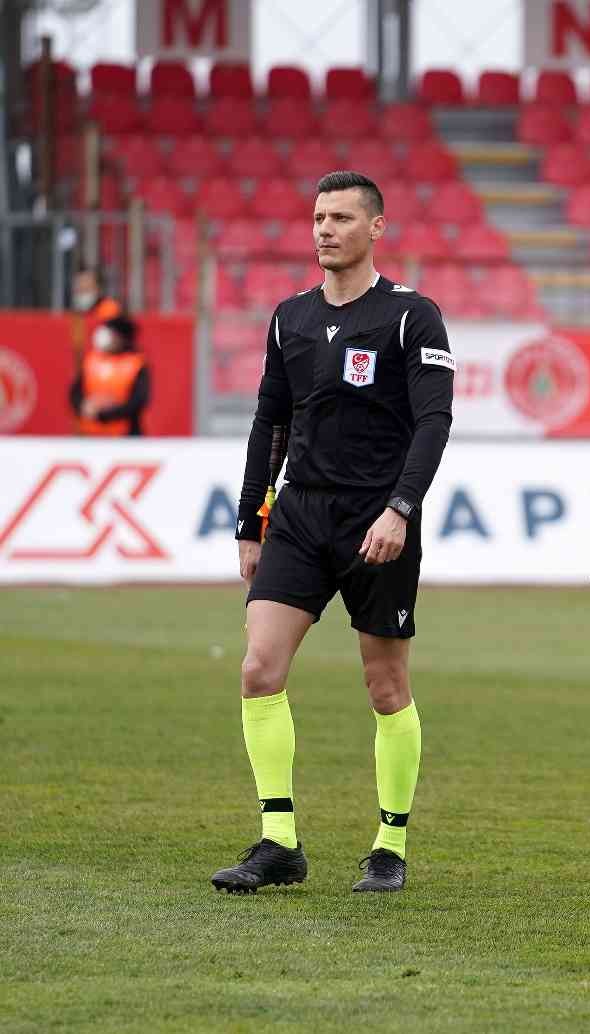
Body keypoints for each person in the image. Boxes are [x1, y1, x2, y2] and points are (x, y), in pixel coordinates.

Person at [210, 171, 455, 895]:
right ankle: (279, 842)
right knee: (259, 670)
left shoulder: (411, 317)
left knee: (385, 684)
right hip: (298, 516)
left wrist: (401, 508)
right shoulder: (289, 317)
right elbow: (270, 421)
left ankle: (389, 845)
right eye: (319, 217)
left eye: (342, 218)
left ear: (376, 228)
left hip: (375, 517)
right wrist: (250, 519)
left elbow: (434, 421)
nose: (325, 229)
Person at [69, 314, 150, 436]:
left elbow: (138, 401)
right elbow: (75, 392)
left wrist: (106, 414)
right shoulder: (92, 360)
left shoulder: (136, 364)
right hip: (90, 435)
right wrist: (83, 406)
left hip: (124, 436)